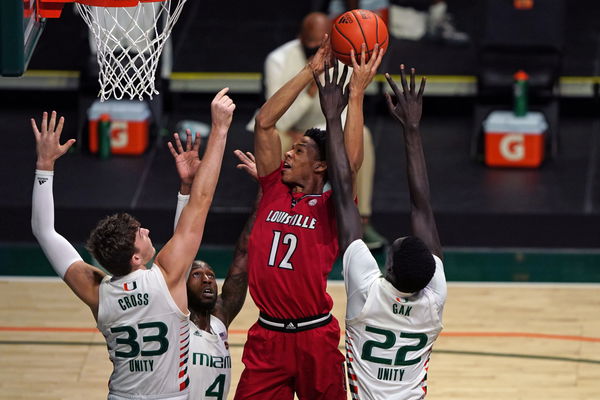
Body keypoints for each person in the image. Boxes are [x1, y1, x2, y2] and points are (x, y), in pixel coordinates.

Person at [30, 88, 235, 400]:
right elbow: (202, 202)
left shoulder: (98, 290)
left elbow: (44, 231)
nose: (148, 231)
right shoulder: (166, 278)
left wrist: (44, 164)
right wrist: (220, 130)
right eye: (141, 233)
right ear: (137, 258)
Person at [233, 37, 383, 400]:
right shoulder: (273, 188)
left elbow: (350, 164)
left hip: (314, 336)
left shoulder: (333, 204)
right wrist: (310, 71)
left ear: (319, 165)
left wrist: (357, 94)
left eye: (298, 151)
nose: (287, 155)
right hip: (267, 337)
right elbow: (265, 123)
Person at [315, 62, 446, 399]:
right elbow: (422, 208)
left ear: (388, 268)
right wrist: (412, 129)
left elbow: (343, 191)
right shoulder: (433, 301)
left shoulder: (367, 294)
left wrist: (332, 116)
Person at [261, 11, 386, 249]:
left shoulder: (346, 55)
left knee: (363, 136)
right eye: (309, 46)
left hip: (328, 129)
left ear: (330, 38)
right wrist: (311, 83)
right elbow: (278, 119)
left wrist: (325, 137)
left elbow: (349, 114)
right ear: (300, 38)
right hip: (290, 131)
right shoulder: (277, 59)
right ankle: (277, 217)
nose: (315, 49)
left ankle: (361, 219)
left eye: (320, 45)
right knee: (273, 140)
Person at [169, 134, 260, 400]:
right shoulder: (176, 319)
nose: (208, 279)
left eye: (210, 275)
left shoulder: (221, 316)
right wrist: (185, 190)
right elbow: (179, 249)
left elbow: (244, 252)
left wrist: (266, 190)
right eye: (196, 275)